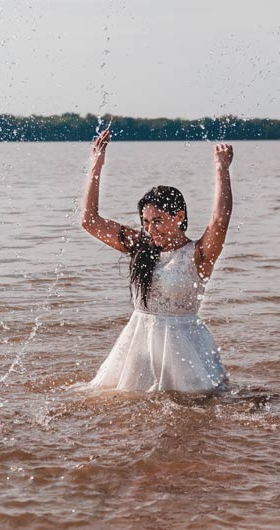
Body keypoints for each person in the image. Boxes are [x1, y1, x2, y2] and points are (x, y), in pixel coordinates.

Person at [78, 127, 233, 393]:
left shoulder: (199, 255)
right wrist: (96, 165)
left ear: (180, 216)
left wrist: (222, 170)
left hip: (185, 348)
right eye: (146, 222)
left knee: (196, 407)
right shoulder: (141, 247)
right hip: (138, 341)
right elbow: (89, 221)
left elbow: (220, 220)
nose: (152, 229)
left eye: (159, 221)